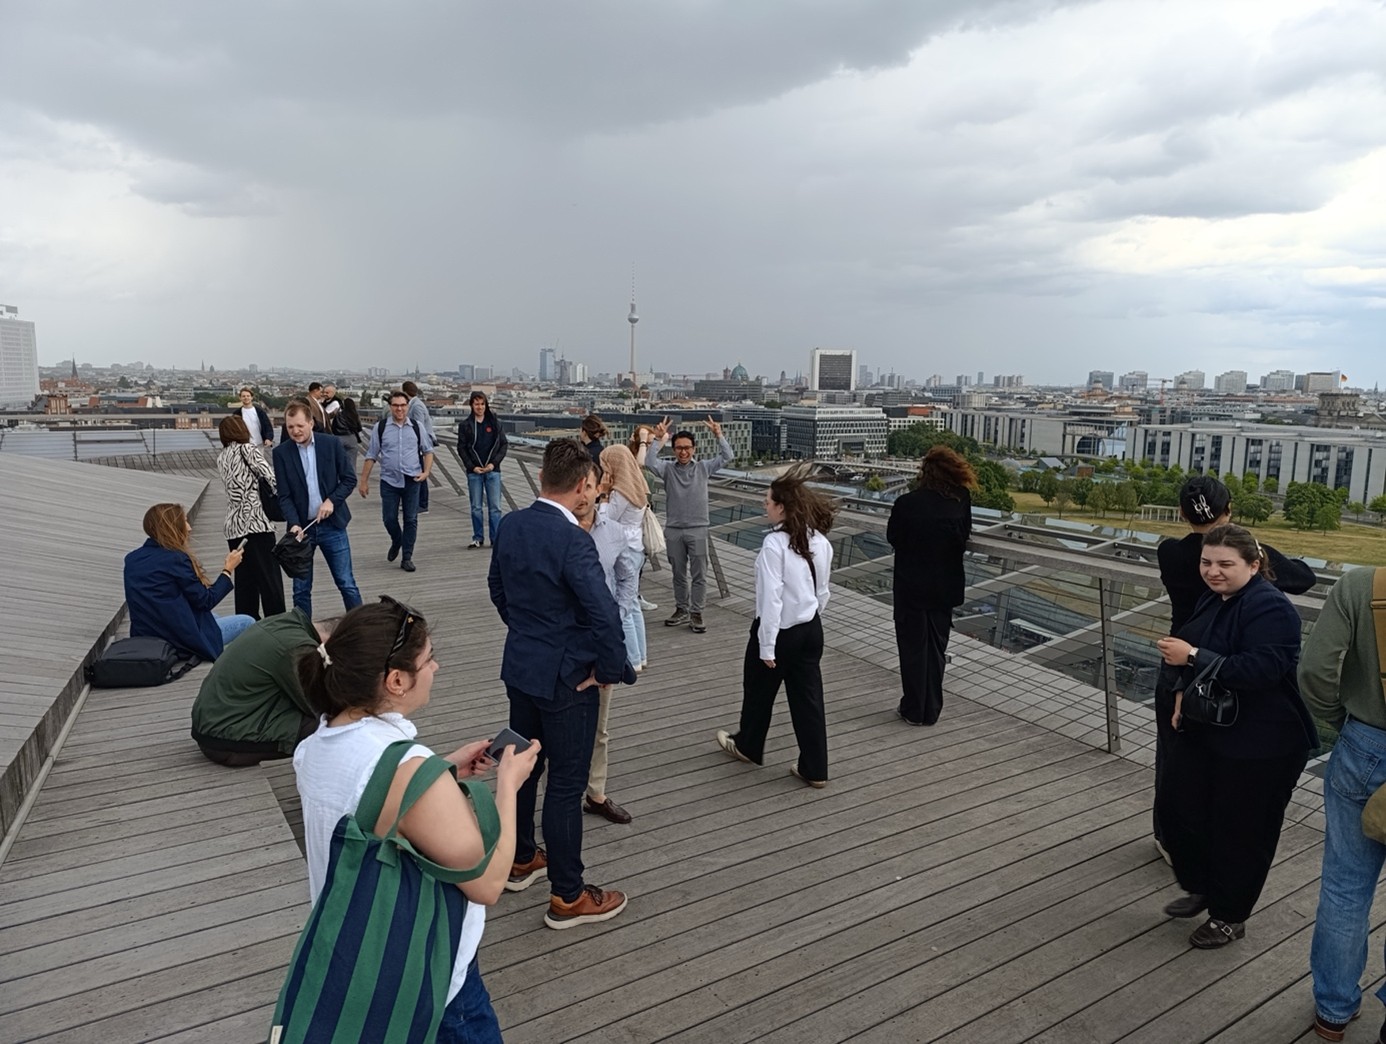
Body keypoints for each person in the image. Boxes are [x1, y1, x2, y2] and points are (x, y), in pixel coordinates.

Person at [293, 598, 540, 1042]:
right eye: (429, 659)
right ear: (396, 680)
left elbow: (372, 805)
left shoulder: (314, 746)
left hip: (353, 954)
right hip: (427, 972)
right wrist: (508, 785)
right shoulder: (408, 771)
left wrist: (442, 771)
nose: (436, 668)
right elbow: (487, 883)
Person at [487, 438, 634, 929]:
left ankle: (522, 857)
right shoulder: (573, 540)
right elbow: (605, 615)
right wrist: (607, 669)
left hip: (521, 667)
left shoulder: (510, 524)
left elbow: (498, 591)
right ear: (581, 488)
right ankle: (568, 897)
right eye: (591, 487)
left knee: (526, 764)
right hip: (568, 679)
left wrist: (529, 632)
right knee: (567, 785)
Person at [1154, 523, 1317, 949]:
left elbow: (1261, 670)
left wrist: (1193, 657)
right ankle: (1202, 885)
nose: (1213, 571)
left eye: (1226, 564)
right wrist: (1177, 691)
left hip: (1264, 741)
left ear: (1254, 564)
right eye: (1207, 562)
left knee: (1243, 830)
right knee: (1179, 805)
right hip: (1210, 726)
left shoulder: (1271, 608)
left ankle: (1229, 915)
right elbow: (1182, 642)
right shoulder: (1215, 598)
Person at [1302, 567, 1386, 1042]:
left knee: (1345, 887)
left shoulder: (1361, 585)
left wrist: (1344, 724)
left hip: (1365, 745)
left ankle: (1333, 1010)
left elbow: (1314, 670)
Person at [715, 469, 835, 788]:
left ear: (781, 507)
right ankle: (815, 767)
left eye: (767, 500)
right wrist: (809, 615)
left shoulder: (774, 544)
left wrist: (767, 646)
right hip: (811, 630)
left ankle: (749, 746)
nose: (764, 504)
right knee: (808, 700)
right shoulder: (819, 541)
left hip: (781, 633)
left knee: (758, 691)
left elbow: (771, 600)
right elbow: (822, 591)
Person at [887, 445, 974, 726]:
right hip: (944, 587)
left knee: (912, 649)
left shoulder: (907, 503)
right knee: (936, 650)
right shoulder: (961, 499)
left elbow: (893, 538)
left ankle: (913, 707)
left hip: (911, 586)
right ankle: (931, 709)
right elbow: (963, 536)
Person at [191, 608, 332, 766]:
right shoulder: (298, 648)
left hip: (213, 724)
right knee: (332, 724)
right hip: (225, 742)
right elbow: (315, 704)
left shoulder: (284, 622)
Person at [576, 463, 636, 825]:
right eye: (577, 486)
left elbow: (628, 576)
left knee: (600, 725)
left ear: (601, 487)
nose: (582, 494)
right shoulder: (558, 530)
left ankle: (595, 793)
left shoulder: (613, 532)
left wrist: (618, 613)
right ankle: (562, 789)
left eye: (589, 486)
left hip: (602, 643)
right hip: (566, 643)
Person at [124, 503, 255, 661]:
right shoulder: (176, 559)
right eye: (185, 522)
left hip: (146, 636)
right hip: (178, 640)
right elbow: (206, 600)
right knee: (248, 621)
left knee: (214, 617)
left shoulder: (132, 559)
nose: (189, 527)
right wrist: (227, 570)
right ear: (173, 527)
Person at [273, 399, 363, 616]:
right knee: (301, 590)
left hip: (333, 525)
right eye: (290, 426)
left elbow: (349, 479)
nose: (295, 431)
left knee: (346, 583)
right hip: (302, 530)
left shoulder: (330, 444)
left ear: (311, 423)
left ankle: (361, 627)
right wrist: (294, 524)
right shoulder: (281, 453)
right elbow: (284, 496)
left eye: (299, 426)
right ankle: (304, 637)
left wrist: (332, 501)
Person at [645, 415, 734, 634]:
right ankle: (681, 609)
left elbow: (727, 456)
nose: (683, 452)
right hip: (674, 530)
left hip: (698, 529)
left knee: (699, 575)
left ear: (694, 449)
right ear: (673, 449)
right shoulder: (667, 469)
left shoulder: (703, 468)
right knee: (678, 574)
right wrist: (657, 440)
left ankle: (696, 612)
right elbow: (648, 462)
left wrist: (718, 434)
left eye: (687, 448)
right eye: (678, 448)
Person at [216, 415, 286, 620]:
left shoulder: (222, 456)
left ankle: (246, 625)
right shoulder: (247, 449)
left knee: (245, 583)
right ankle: (278, 623)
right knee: (269, 580)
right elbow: (270, 477)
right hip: (256, 522)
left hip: (233, 525)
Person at [359, 390, 435, 573]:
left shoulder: (417, 427)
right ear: (390, 407)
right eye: (395, 405)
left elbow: (428, 450)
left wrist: (426, 472)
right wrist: (364, 481)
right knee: (389, 518)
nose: (399, 409)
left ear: (407, 407)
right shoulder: (382, 427)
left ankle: (407, 557)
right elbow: (371, 454)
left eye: (402, 405)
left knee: (411, 519)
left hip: (412, 479)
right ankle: (397, 540)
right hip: (389, 480)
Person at [599, 443, 649, 672]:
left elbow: (605, 519)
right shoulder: (638, 486)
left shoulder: (621, 492)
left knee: (624, 607)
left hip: (623, 550)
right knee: (634, 605)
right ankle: (642, 655)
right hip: (636, 547)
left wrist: (604, 494)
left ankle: (632, 659)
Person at [457, 391, 508, 548]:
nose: (480, 407)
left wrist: (494, 463)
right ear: (472, 405)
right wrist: (471, 467)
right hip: (475, 471)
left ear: (486, 405)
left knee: (495, 508)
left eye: (482, 404)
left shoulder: (494, 423)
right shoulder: (465, 425)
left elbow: (504, 444)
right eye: (476, 404)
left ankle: (496, 539)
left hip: (493, 470)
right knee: (476, 507)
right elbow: (462, 448)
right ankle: (478, 537)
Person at [401, 381, 437, 513]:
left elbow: (418, 427)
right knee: (414, 474)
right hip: (415, 446)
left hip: (420, 446)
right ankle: (415, 503)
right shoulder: (414, 404)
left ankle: (422, 504)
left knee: (420, 474)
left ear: (405, 392)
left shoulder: (417, 406)